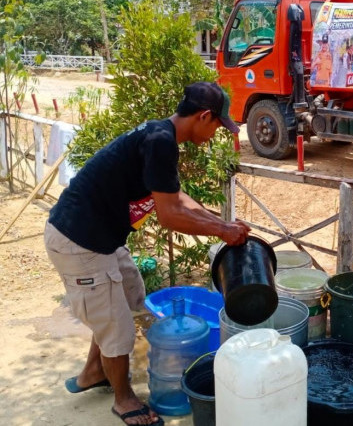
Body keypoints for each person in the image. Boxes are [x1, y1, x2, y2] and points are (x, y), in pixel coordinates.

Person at [44, 82, 251, 425]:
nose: (216, 132)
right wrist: (222, 231)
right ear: (204, 117)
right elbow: (169, 216)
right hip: (78, 240)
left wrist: (222, 223)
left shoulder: (162, 136)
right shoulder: (160, 141)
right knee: (116, 324)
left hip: (103, 238)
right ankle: (124, 400)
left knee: (128, 296)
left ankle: (94, 371)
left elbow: (177, 199)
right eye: (218, 125)